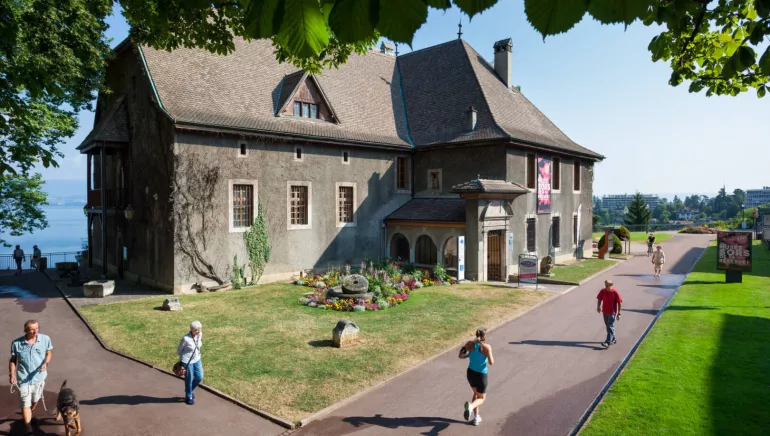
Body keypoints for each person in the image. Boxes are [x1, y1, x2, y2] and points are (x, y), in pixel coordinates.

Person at [9, 320, 54, 436]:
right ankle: (29, 430)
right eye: (32, 329)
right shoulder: (16, 343)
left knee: (35, 400)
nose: (35, 331)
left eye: (37, 328)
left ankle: (31, 411)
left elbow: (49, 352)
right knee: (25, 403)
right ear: (25, 330)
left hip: (39, 378)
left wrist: (46, 363)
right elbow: (13, 360)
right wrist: (12, 373)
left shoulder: (45, 339)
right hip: (23, 378)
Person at [458, 327, 495, 426]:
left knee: (475, 394)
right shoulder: (487, 347)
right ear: (485, 337)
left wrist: (469, 355)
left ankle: (476, 418)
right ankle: (470, 407)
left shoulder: (469, 344)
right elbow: (491, 362)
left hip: (470, 373)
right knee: (481, 398)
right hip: (481, 375)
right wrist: (487, 354)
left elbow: (460, 355)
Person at [177, 320, 203, 405]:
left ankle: (189, 390)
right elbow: (179, 350)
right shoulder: (186, 339)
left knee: (199, 376)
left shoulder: (200, 335)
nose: (198, 331)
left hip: (197, 359)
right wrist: (182, 361)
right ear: (191, 330)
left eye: (199, 329)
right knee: (189, 378)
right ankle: (189, 395)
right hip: (187, 361)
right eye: (196, 330)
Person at [596, 280, 622, 348]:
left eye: (608, 285)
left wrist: (619, 313)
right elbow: (599, 298)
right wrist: (598, 306)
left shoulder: (614, 292)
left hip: (612, 312)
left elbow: (619, 302)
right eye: (606, 285)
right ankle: (613, 339)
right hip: (605, 311)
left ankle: (607, 342)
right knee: (608, 326)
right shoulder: (603, 291)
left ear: (611, 285)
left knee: (610, 325)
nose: (606, 287)